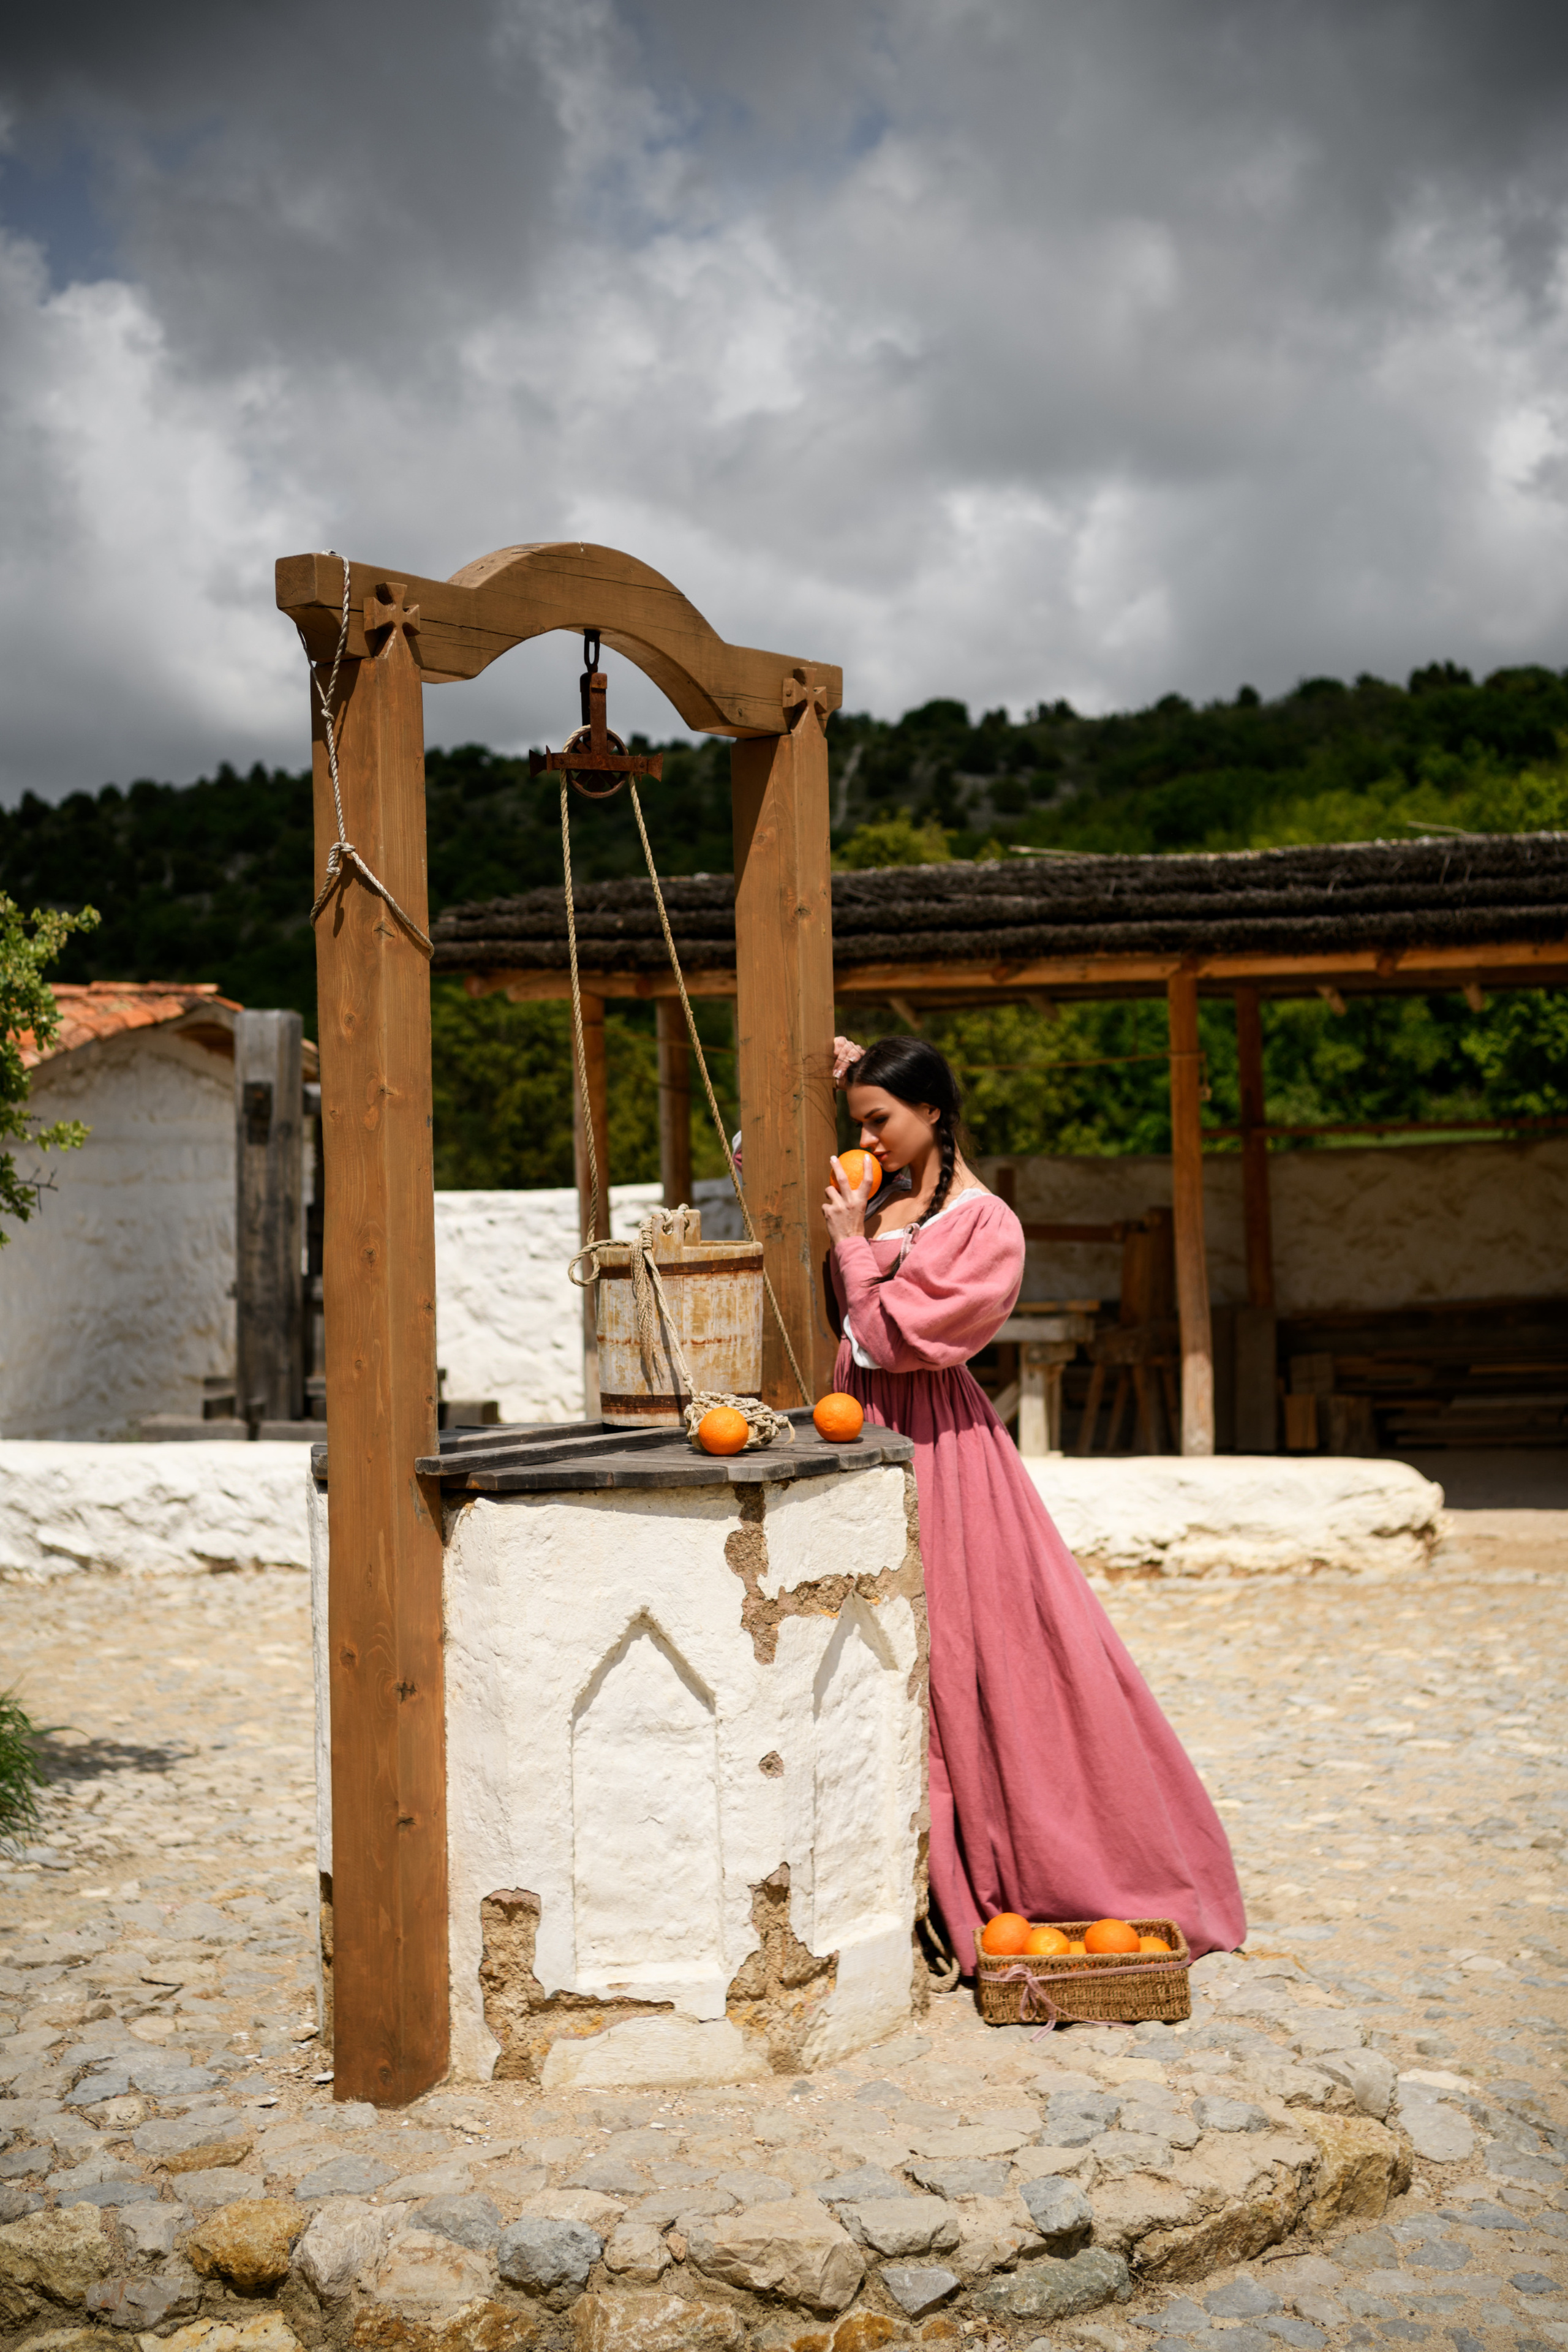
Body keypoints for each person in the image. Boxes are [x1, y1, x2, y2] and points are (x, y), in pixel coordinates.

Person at [821, 1033, 1245, 1962]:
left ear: (933, 1111)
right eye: (859, 1123)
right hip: (851, 1429)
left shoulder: (987, 1225)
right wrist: (830, 1072)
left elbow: (900, 1341)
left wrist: (853, 1251)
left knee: (970, 1647)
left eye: (881, 1119)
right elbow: (762, 1160)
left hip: (934, 1443)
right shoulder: (877, 1197)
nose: (869, 1140)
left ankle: (1035, 1856)